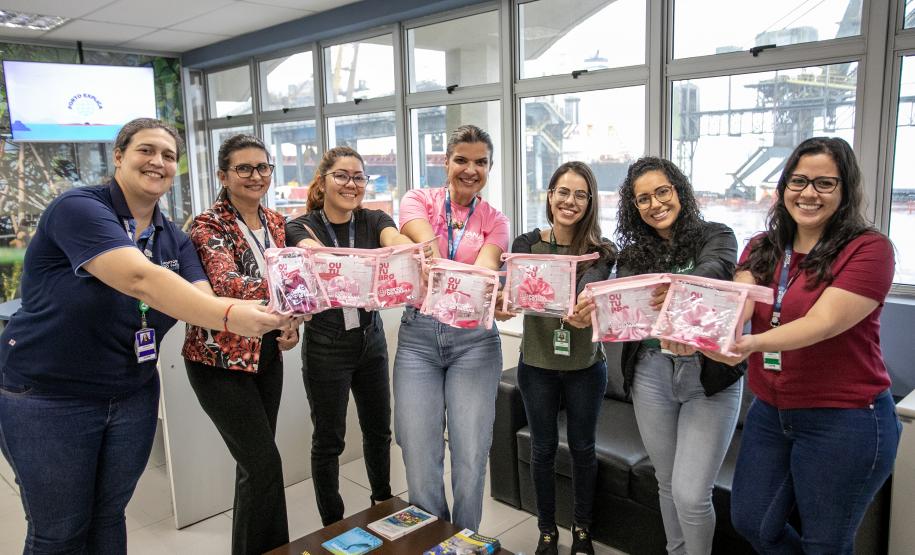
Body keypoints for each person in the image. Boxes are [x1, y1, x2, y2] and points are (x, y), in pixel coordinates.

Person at [0, 118, 288, 555]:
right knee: (60, 530)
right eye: (146, 151)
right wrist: (234, 315)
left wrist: (265, 312)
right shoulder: (79, 209)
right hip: (49, 396)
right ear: (119, 157)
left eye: (169, 156)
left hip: (130, 390)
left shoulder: (172, 237)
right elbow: (140, 280)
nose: (158, 162)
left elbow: (198, 296)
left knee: (109, 516)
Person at [706, 137, 900, 554]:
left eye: (825, 183)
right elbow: (740, 301)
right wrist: (699, 330)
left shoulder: (869, 249)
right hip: (771, 412)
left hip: (845, 418)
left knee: (826, 543)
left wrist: (750, 343)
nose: (809, 193)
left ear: (845, 191)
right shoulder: (762, 246)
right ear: (782, 187)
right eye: (798, 181)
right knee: (753, 522)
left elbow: (823, 322)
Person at [614, 156, 742, 555]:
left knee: (691, 493)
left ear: (679, 191)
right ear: (633, 208)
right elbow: (624, 307)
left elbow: (716, 271)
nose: (654, 204)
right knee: (667, 483)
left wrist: (678, 288)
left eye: (662, 192)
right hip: (651, 371)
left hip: (709, 374)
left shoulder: (716, 235)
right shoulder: (633, 255)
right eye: (643, 199)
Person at [182, 134, 299, 554]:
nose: (255, 176)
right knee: (263, 465)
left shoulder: (276, 222)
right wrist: (294, 288)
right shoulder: (208, 225)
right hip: (219, 361)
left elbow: (291, 294)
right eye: (244, 168)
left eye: (263, 167)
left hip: (265, 354)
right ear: (223, 175)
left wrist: (293, 322)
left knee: (256, 467)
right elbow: (227, 283)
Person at [286, 146, 414, 526]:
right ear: (322, 182)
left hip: (370, 338)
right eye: (341, 175)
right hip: (327, 344)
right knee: (330, 440)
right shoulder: (300, 226)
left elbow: (396, 243)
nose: (351, 184)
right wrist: (364, 263)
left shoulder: (374, 219)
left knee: (378, 430)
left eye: (359, 177)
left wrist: (409, 252)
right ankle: (334, 523)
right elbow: (316, 256)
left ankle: (383, 503)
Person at [394, 124, 510, 531]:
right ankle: (431, 535)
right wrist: (473, 278)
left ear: (489, 168)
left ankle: (465, 538)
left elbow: (486, 270)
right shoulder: (418, 200)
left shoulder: (496, 220)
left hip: (474, 343)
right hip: (419, 339)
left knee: (471, 453)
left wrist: (494, 289)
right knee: (418, 451)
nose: (470, 169)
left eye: (480, 162)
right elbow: (428, 249)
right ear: (446, 162)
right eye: (461, 159)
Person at [508, 162, 615, 555]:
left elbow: (593, 283)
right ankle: (547, 531)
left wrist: (582, 299)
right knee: (542, 448)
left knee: (584, 449)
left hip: (586, 367)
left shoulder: (602, 251)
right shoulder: (525, 244)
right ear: (550, 195)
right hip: (536, 365)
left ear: (590, 203)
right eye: (563, 192)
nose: (571, 201)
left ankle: (582, 531)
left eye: (580, 194)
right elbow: (514, 288)